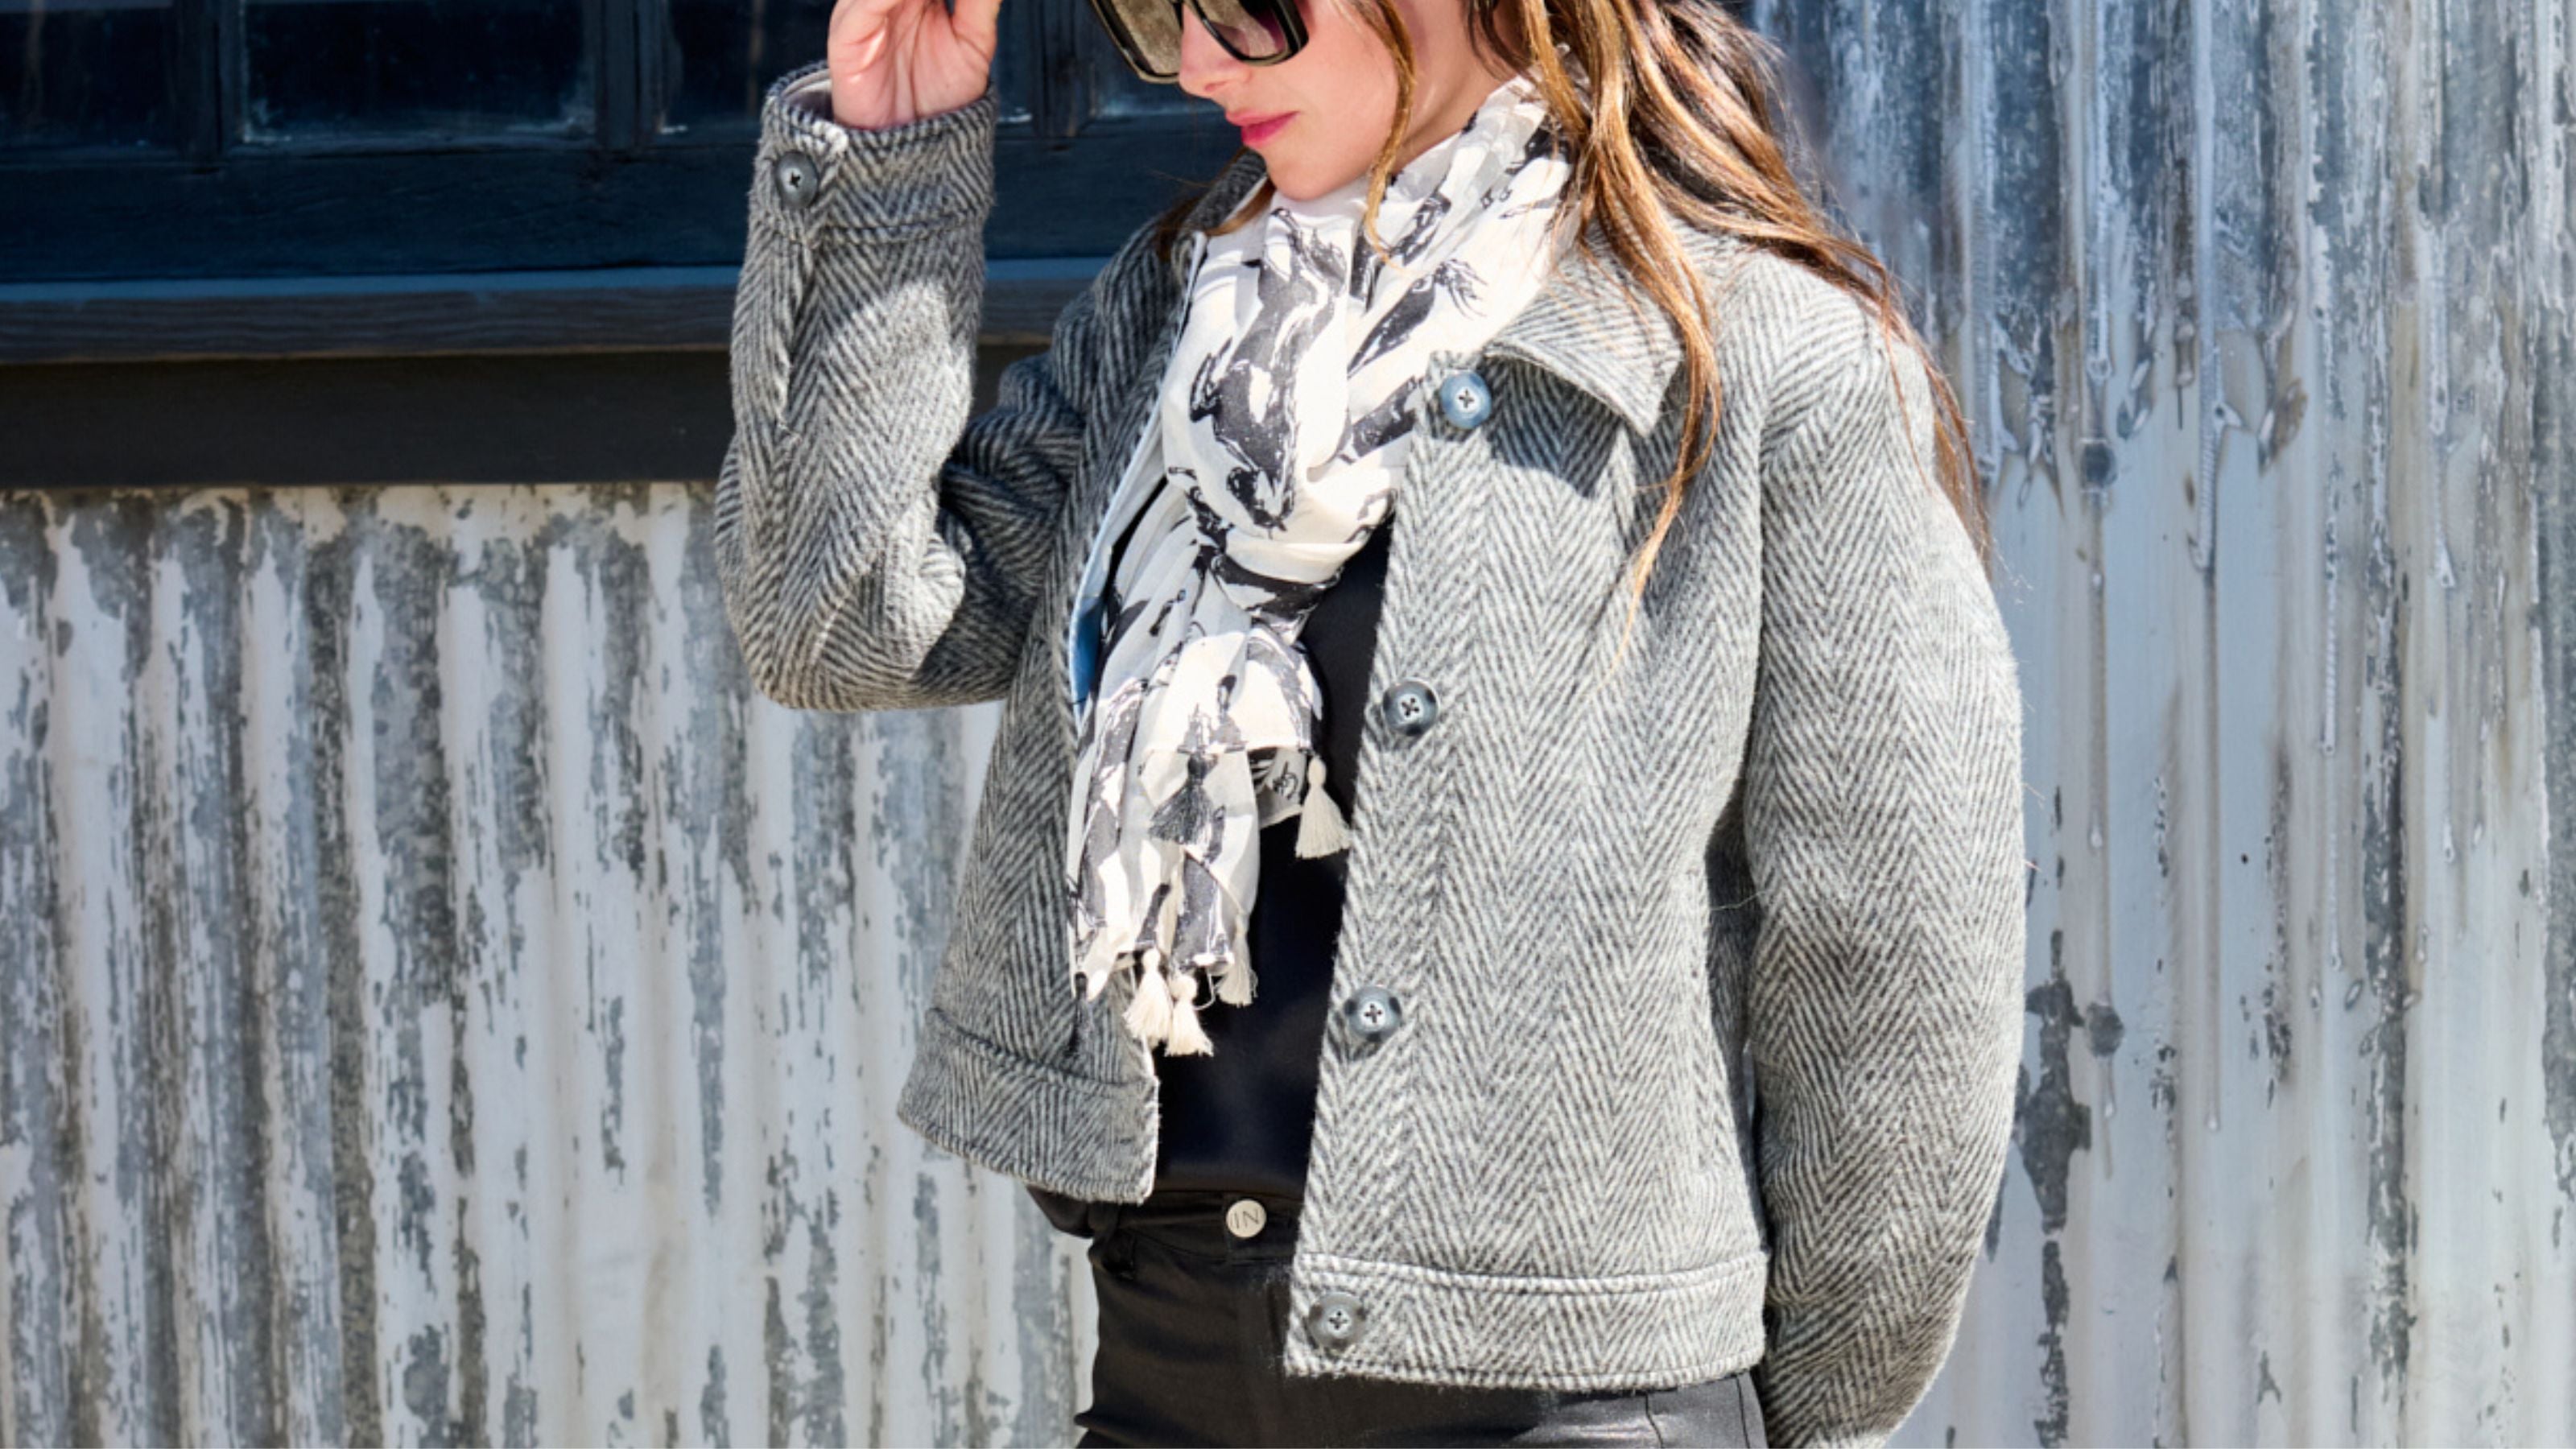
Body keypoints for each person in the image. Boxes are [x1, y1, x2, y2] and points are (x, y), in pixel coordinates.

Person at [710, 0, 2029, 1436]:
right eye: (1153, 19)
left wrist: (1800, 1423)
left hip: (1571, 1405)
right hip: (1171, 1363)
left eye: (1241, 11)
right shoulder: (1183, 317)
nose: (1198, 66)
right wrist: (891, 156)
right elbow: (838, 622)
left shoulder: (1771, 362)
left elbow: (1898, 971)